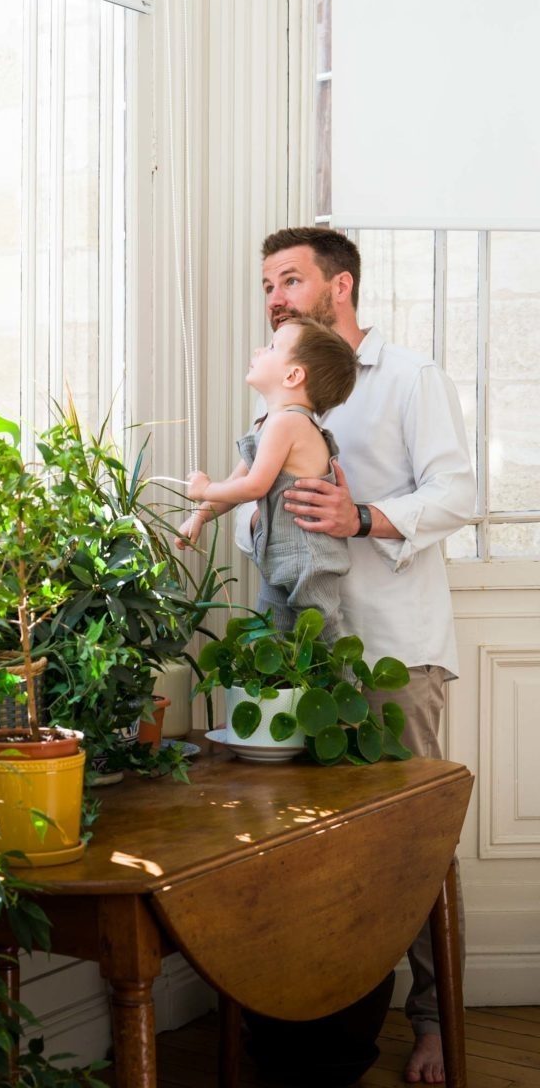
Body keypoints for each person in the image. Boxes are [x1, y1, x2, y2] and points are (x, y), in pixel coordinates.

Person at [236, 226, 476, 1085]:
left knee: (414, 848)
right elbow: (254, 517)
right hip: (302, 666)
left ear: (340, 286)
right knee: (310, 854)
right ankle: (311, 1022)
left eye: (290, 280)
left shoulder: (409, 377)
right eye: (267, 282)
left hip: (394, 654)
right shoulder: (277, 392)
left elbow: (459, 492)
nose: (274, 296)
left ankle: (435, 1024)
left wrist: (361, 516)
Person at [176, 318, 357, 644]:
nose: (260, 350)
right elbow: (236, 483)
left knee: (321, 635)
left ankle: (342, 683)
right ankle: (277, 693)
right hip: (279, 558)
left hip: (308, 560)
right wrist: (201, 514)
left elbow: (254, 487)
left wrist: (205, 488)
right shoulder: (269, 424)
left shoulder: (289, 423)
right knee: (271, 634)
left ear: (293, 375)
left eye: (272, 347)